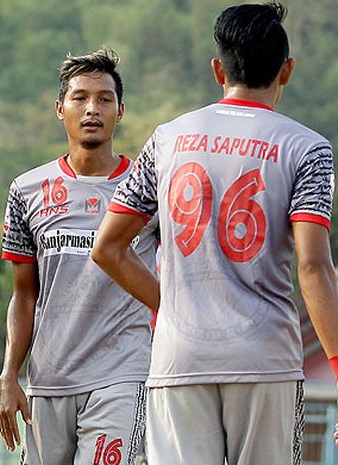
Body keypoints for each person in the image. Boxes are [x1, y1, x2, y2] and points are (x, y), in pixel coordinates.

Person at [91, 3, 338, 464]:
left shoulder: (168, 139)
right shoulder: (308, 148)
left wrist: (172, 305)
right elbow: (312, 265)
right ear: (287, 71)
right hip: (265, 361)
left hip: (180, 357)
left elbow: (107, 249)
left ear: (217, 69)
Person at [0, 48, 156, 465]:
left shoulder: (149, 187)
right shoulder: (27, 189)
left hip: (122, 375)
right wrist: (9, 374)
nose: (92, 109)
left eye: (105, 99)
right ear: (59, 108)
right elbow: (24, 296)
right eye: (80, 98)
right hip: (48, 379)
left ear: (120, 111)